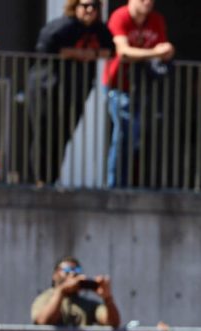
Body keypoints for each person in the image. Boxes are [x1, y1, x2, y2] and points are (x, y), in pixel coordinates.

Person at [31, 0, 114, 187]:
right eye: (85, 5)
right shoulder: (62, 26)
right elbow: (44, 46)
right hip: (47, 88)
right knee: (44, 133)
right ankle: (39, 179)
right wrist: (73, 53)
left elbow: (112, 49)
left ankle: (51, 179)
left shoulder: (98, 30)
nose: (90, 10)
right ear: (75, 7)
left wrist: (91, 54)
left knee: (63, 135)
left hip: (76, 91)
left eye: (94, 6)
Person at [103, 0, 175, 189]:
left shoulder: (156, 20)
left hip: (142, 86)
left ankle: (125, 183)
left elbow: (163, 50)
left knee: (133, 135)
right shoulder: (120, 16)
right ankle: (115, 184)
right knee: (124, 131)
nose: (148, 2)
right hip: (117, 84)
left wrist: (166, 52)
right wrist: (154, 52)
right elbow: (123, 52)